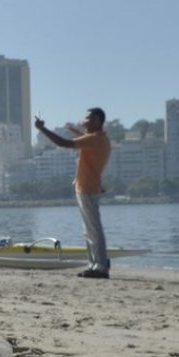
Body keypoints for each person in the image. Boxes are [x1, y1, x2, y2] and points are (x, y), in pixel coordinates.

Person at [34, 108, 113, 279]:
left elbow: (64, 143)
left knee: (94, 230)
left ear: (97, 120)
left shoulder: (95, 139)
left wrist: (42, 129)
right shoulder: (98, 139)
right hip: (86, 188)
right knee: (90, 230)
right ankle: (95, 264)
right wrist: (75, 131)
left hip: (88, 188)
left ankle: (100, 266)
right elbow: (84, 138)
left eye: (88, 117)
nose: (84, 120)